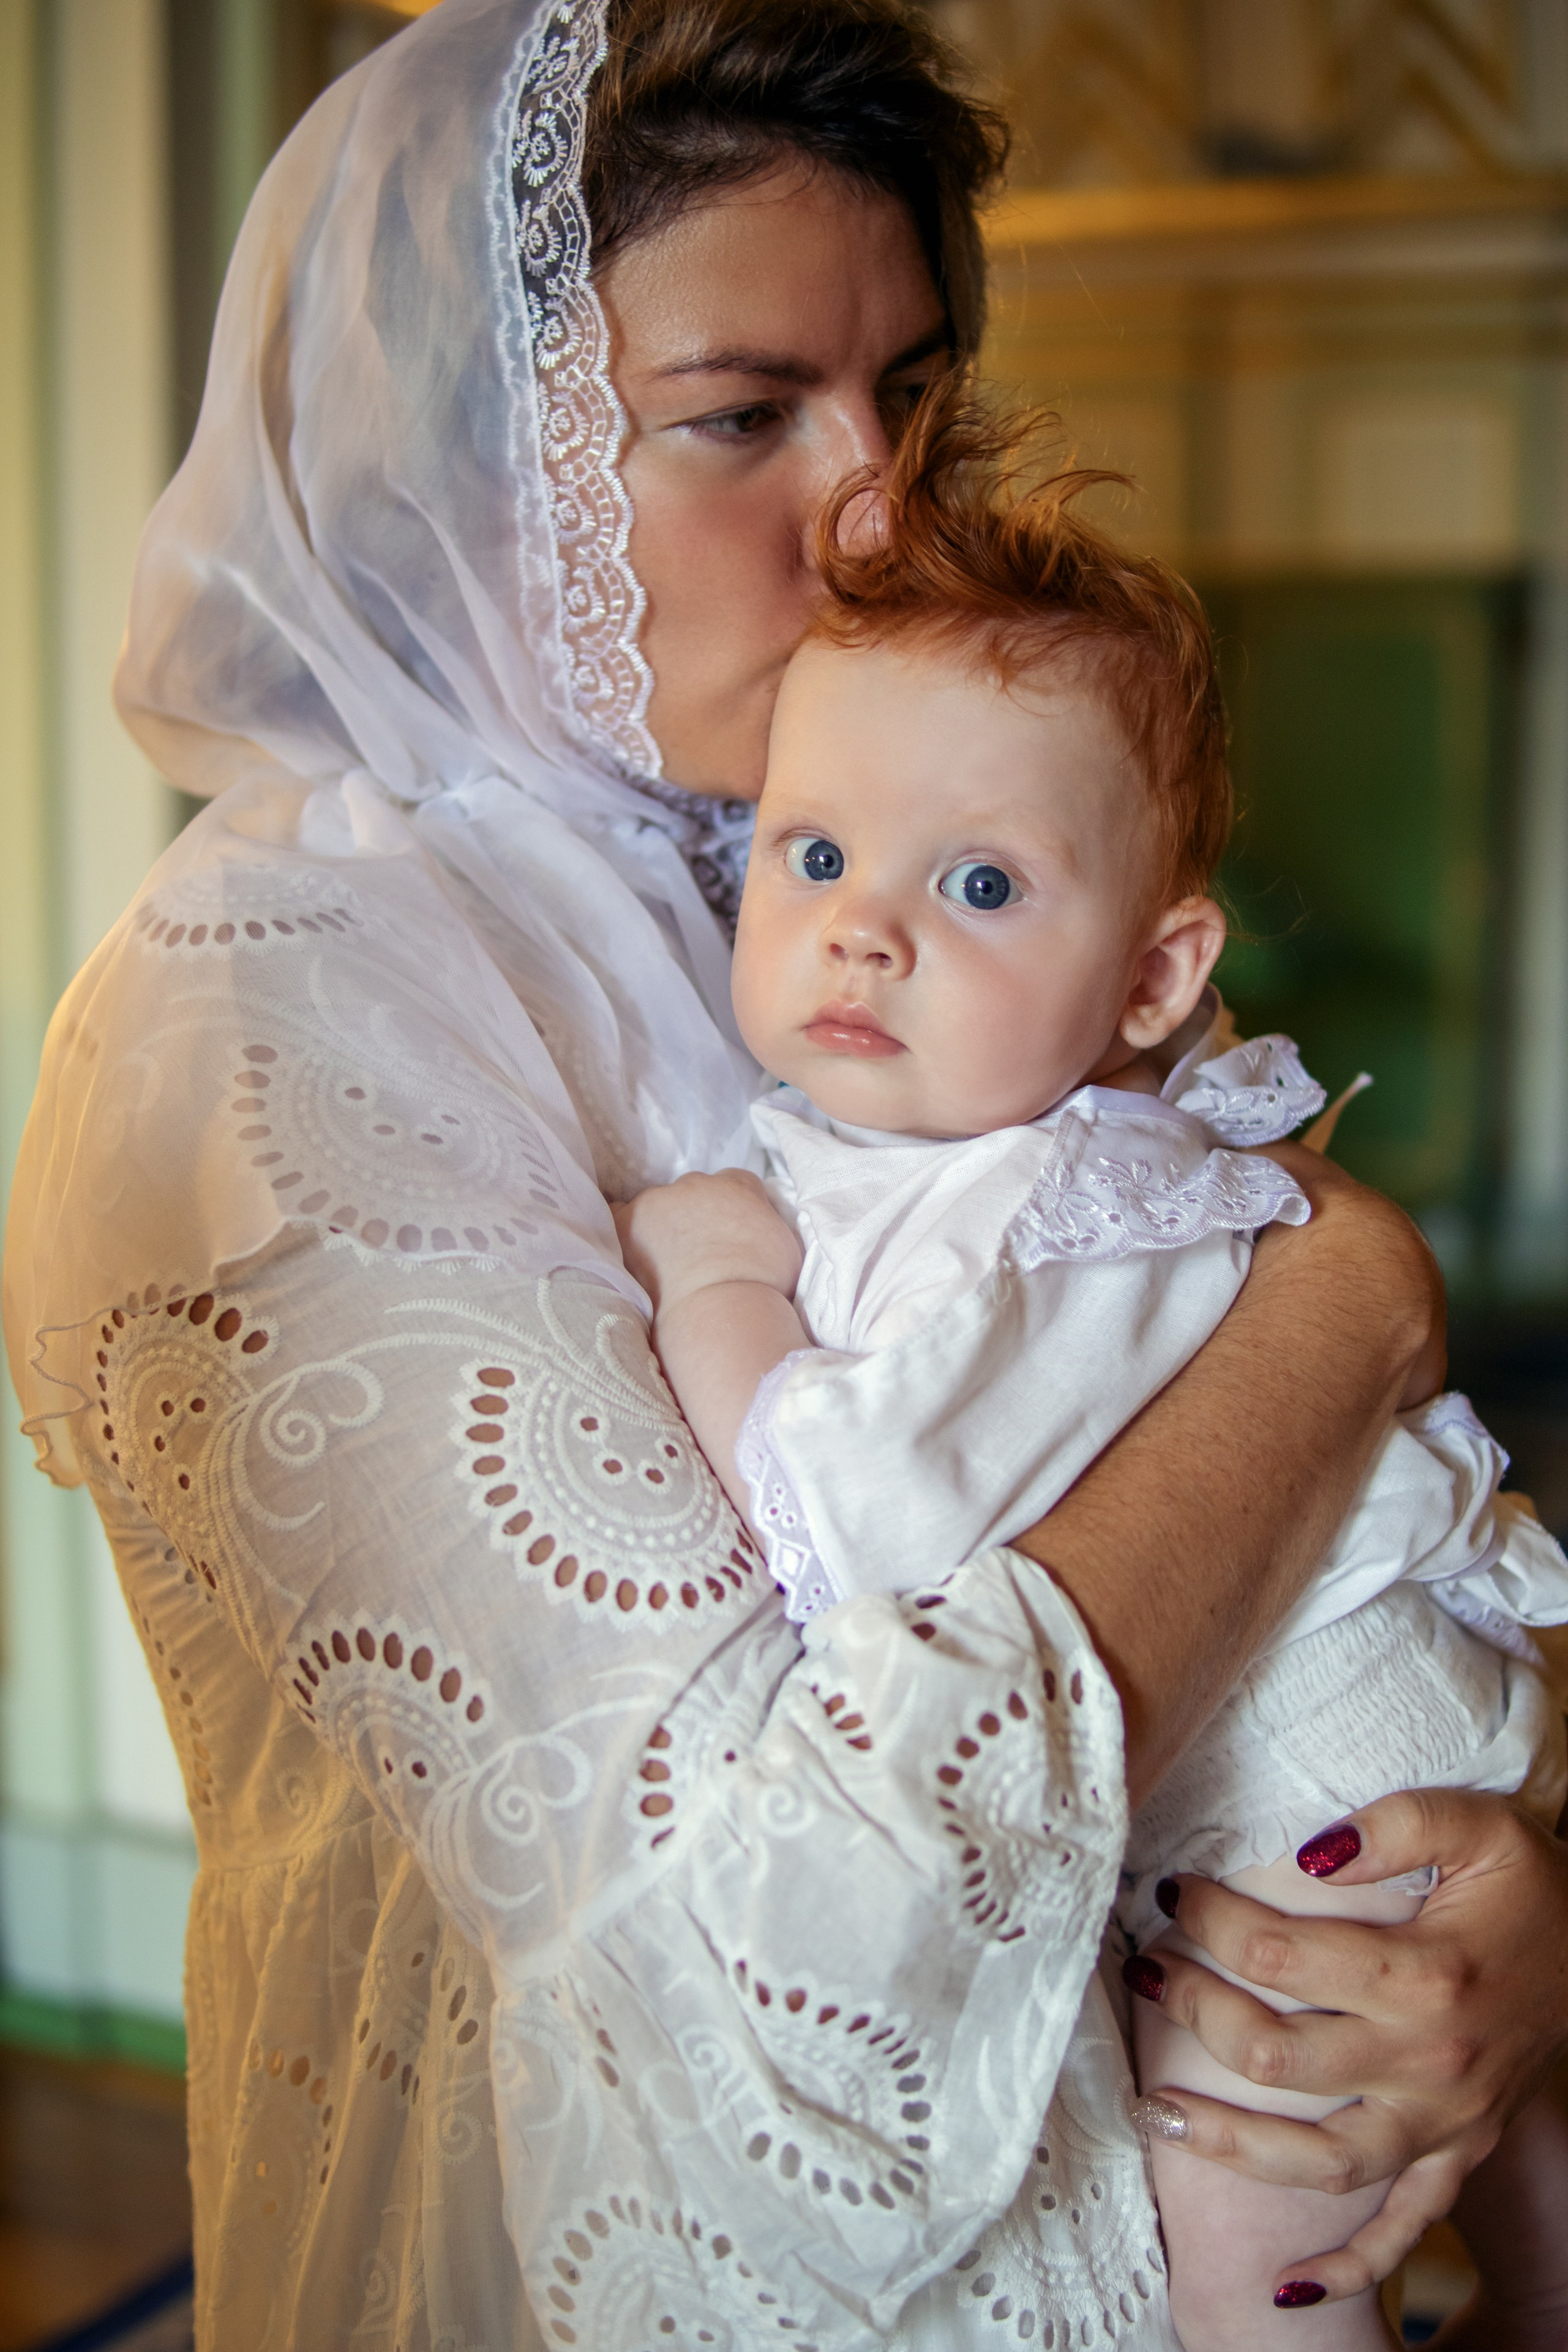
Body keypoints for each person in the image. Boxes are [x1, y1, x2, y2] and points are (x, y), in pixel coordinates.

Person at [2, 1, 1565, 2345]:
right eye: (739, 414)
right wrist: (1351, 1302)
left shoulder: (869, 817)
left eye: (911, 391)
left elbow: (1337, 1526)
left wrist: (1506, 1907)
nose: (871, 503)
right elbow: (778, 2013)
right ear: (474, 453)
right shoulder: (265, 1013)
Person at [610, 391, 1568, 2348]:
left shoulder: (1080, 1214)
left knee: (1248, 2250)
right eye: (812, 851)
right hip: (1303, 1752)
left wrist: (720, 1295)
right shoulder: (922, 1153)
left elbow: (876, 1531)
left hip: (1325, 1794)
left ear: (1149, 980)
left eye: (978, 887)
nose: (862, 931)